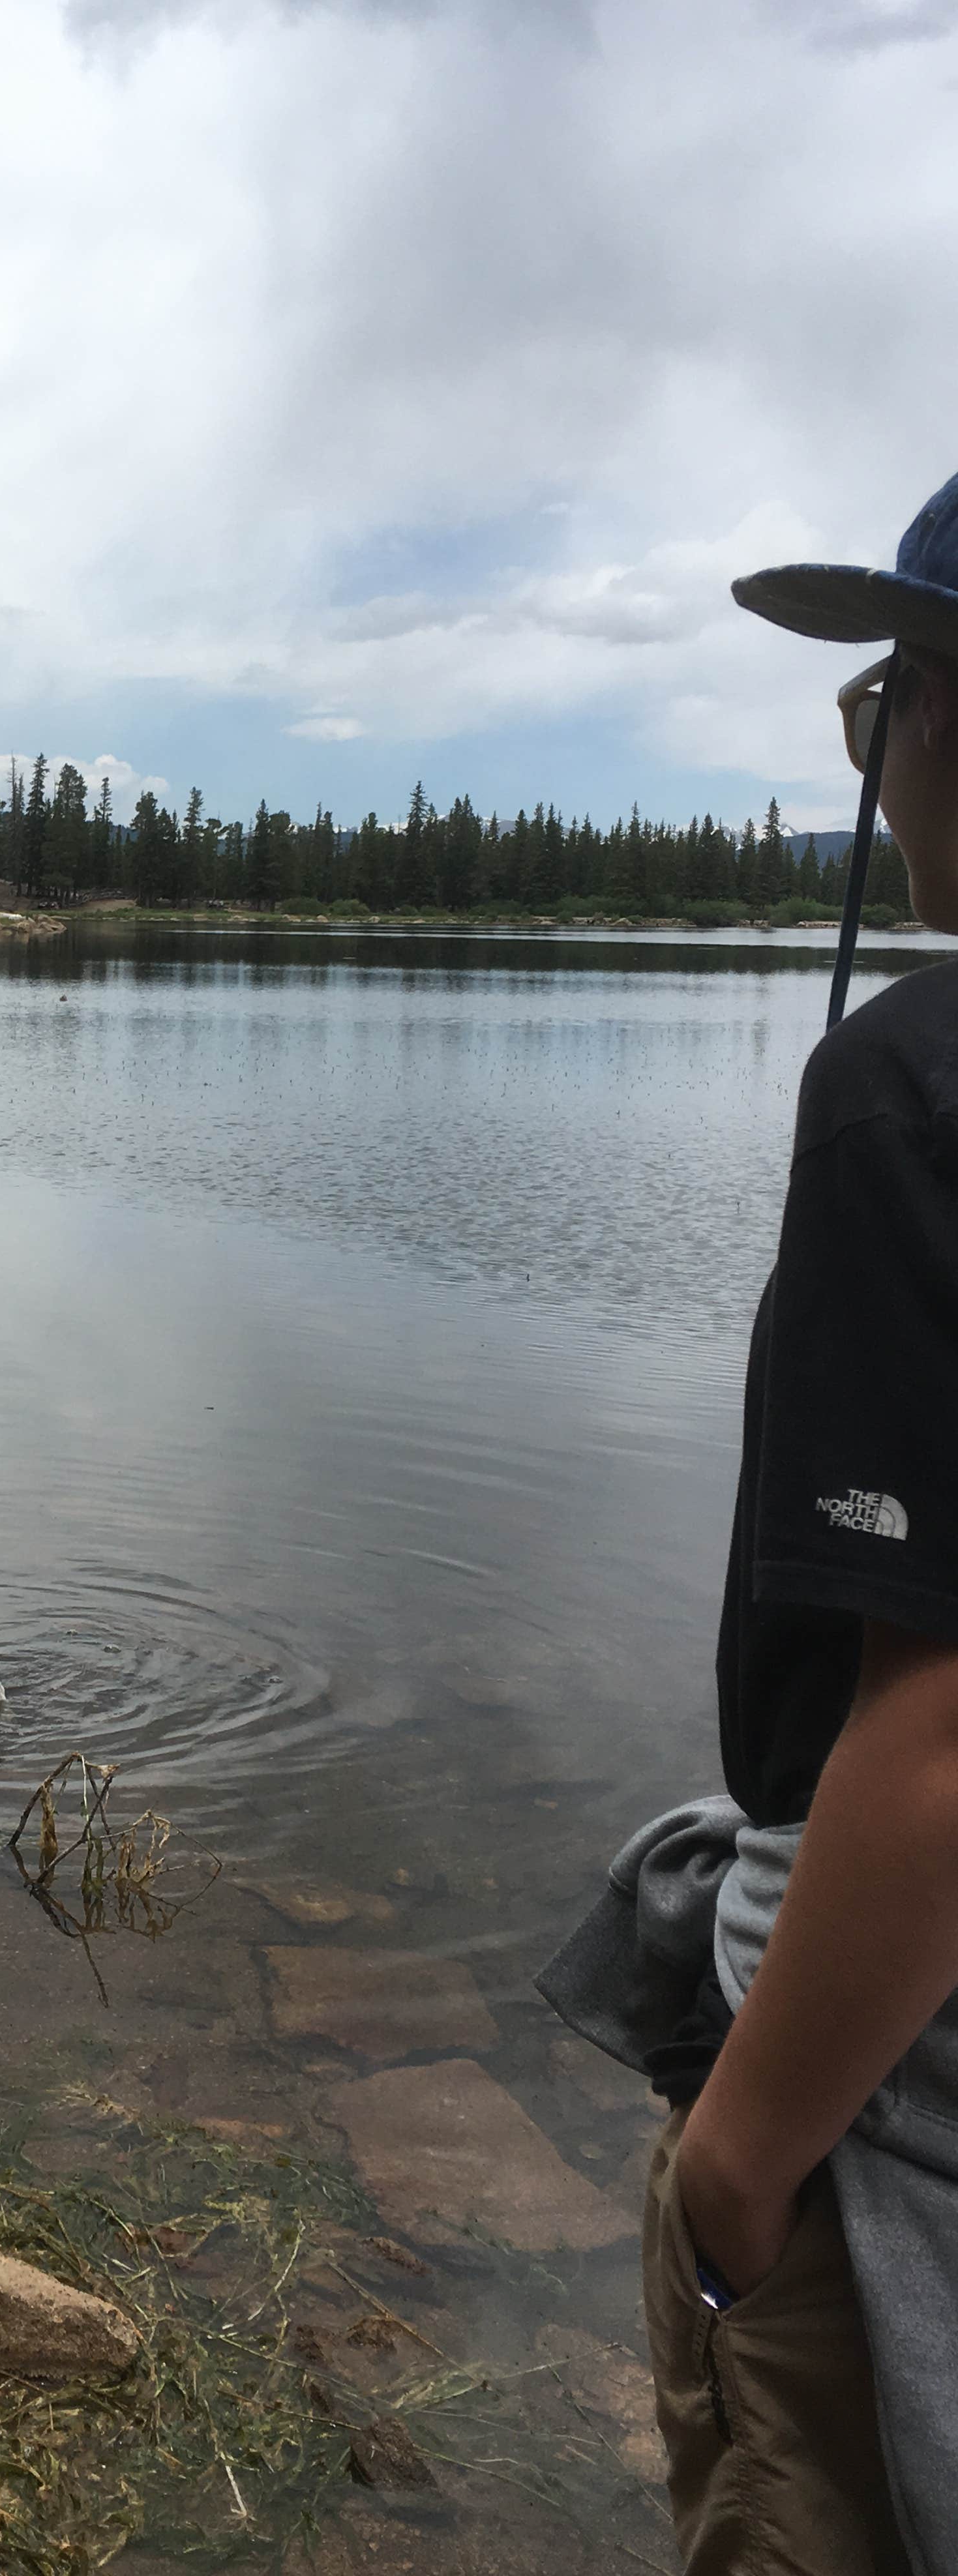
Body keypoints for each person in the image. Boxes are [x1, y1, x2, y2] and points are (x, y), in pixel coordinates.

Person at [543, 469, 958, 2575]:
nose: (876, 756)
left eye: (881, 698)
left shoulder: (907, 1086)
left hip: (900, 2098)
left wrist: (734, 2163)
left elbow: (944, 1739)